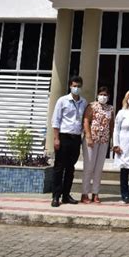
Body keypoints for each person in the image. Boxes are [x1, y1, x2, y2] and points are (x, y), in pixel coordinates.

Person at [51, 75, 87, 207]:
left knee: (70, 168)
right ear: (70, 86)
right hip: (64, 136)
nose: (76, 88)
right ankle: (56, 195)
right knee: (59, 167)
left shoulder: (83, 102)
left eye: (78, 86)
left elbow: (84, 120)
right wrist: (56, 138)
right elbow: (56, 120)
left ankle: (66, 195)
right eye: (74, 86)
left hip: (76, 138)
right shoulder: (62, 101)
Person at [81, 86, 114, 204]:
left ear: (108, 97)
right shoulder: (92, 106)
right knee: (89, 167)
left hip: (103, 141)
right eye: (101, 94)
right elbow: (86, 121)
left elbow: (111, 126)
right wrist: (88, 136)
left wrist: (111, 141)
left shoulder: (110, 109)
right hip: (92, 140)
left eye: (105, 95)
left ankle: (95, 193)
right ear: (97, 95)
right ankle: (85, 193)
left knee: (98, 169)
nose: (103, 97)